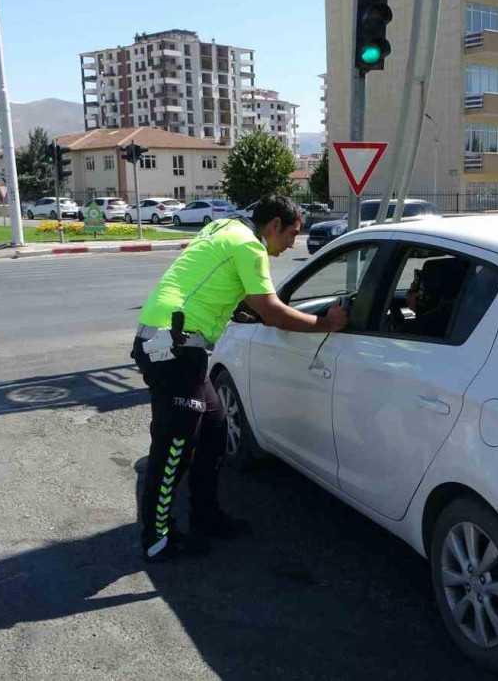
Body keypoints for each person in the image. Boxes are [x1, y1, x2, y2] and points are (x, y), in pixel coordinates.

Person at [132, 195, 347, 562]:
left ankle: (206, 517)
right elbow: (272, 311)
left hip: (172, 342)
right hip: (174, 347)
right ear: (274, 225)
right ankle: (158, 538)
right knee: (173, 450)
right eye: (292, 233)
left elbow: (222, 284)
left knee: (215, 430)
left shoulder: (225, 227)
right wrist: (326, 324)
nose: (294, 243)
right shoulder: (250, 246)